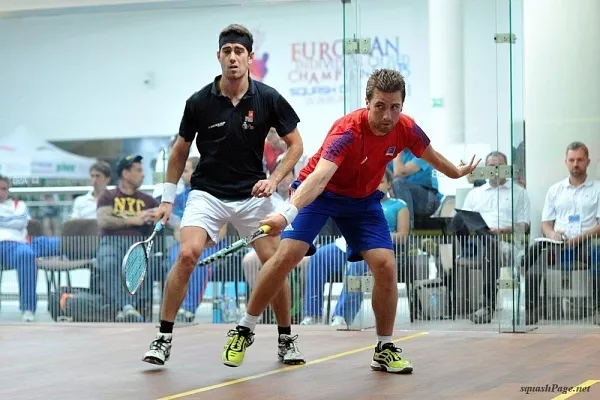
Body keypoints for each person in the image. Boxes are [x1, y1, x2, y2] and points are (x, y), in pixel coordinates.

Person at [221, 68, 480, 373]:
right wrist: (285, 213)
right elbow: (318, 179)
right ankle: (244, 329)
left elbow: (433, 156)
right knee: (287, 255)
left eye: (394, 107)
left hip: (362, 201)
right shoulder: (347, 131)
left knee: (385, 264)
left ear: (402, 106)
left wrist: (456, 173)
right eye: (380, 106)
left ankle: (384, 348)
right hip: (321, 194)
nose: (387, 115)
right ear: (367, 103)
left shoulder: (406, 127)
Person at [142, 24, 305, 366]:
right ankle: (163, 337)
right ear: (218, 56)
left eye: (239, 52)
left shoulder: (268, 98)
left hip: (252, 194)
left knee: (274, 262)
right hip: (207, 194)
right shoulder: (199, 102)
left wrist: (274, 179)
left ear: (249, 57)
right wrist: (168, 199)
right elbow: (178, 153)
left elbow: (296, 145)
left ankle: (286, 339)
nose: (233, 57)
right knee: (187, 255)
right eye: (227, 51)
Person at [301, 170, 410, 326]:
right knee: (319, 257)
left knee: (357, 263)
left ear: (389, 184)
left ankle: (342, 316)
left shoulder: (399, 205)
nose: (376, 186)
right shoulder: (357, 201)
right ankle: (312, 315)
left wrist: (378, 234)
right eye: (373, 182)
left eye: (381, 182)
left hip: (375, 248)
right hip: (346, 243)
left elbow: (403, 236)